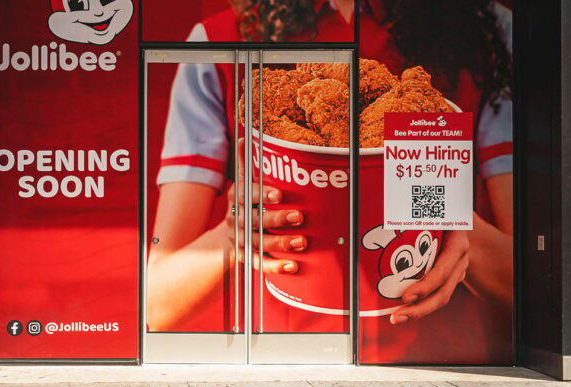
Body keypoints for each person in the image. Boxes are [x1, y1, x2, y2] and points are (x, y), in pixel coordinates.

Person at [148, 0, 513, 361]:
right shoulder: (216, 43)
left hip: (447, 367)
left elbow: (536, 295)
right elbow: (156, 303)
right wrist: (233, 236)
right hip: (282, 362)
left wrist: (452, 222)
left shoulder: (490, 32)